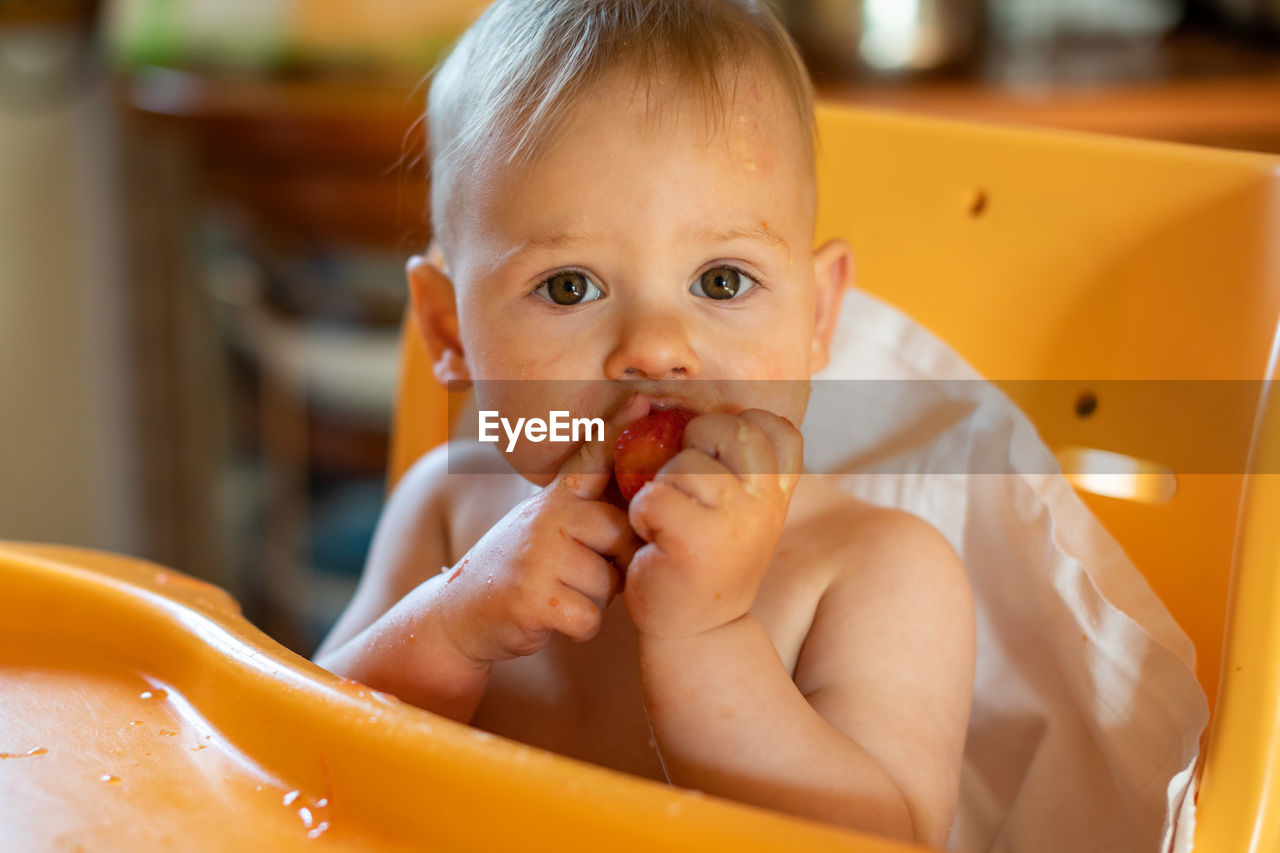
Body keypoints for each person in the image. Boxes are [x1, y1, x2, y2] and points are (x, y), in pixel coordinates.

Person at [314, 0, 975, 845]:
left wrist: (708, 634)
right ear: (449, 331)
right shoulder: (448, 510)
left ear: (817, 315)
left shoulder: (875, 570)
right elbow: (300, 748)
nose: (657, 349)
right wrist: (449, 627)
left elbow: (892, 838)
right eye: (568, 286)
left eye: (723, 280)